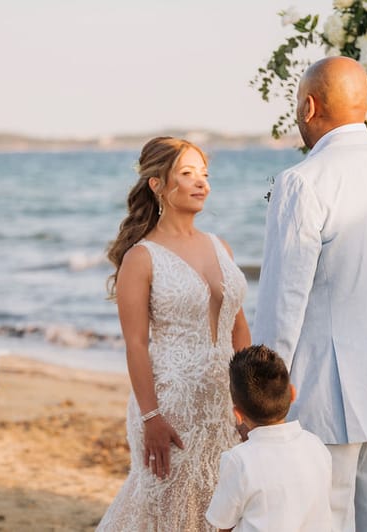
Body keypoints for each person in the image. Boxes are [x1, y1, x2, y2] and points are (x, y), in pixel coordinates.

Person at [252, 56, 367, 531]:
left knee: (321, 516)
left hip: (324, 386)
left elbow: (282, 301)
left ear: (309, 106)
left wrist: (261, 398)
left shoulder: (303, 182)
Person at [97, 136, 251, 530]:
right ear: (158, 184)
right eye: (187, 174)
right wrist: (151, 418)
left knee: (224, 509)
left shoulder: (221, 247)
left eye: (204, 174)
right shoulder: (141, 257)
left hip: (222, 405)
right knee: (168, 513)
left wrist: (246, 401)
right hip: (169, 406)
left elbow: (238, 325)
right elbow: (135, 344)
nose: (202, 183)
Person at [205, 344, 332, 532]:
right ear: (293, 394)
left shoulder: (239, 461)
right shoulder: (316, 445)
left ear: (238, 414)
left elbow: (223, 524)